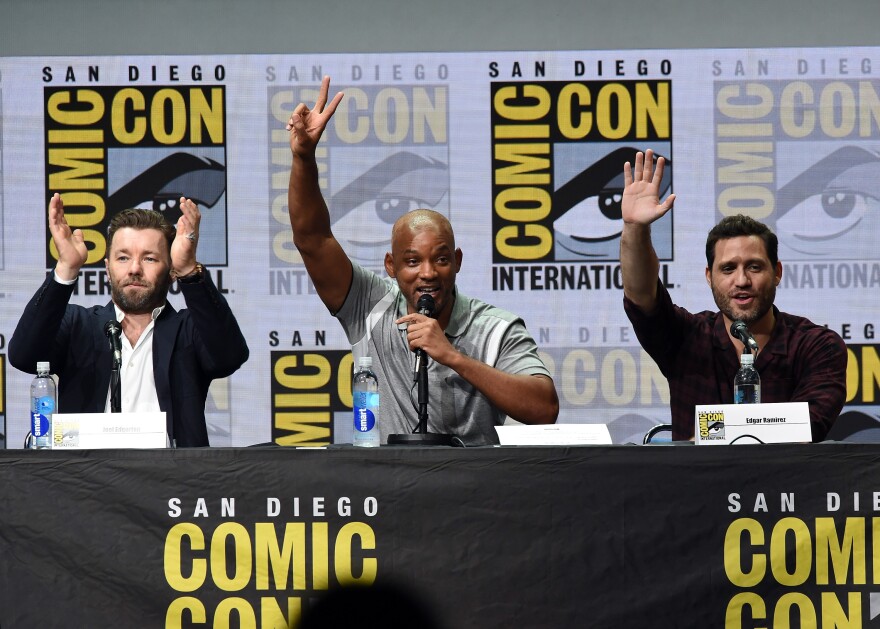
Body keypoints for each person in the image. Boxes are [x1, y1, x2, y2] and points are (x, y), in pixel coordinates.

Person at [286, 76, 558, 446]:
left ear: (457, 262)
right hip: (389, 492)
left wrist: (452, 356)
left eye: (441, 259)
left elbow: (545, 409)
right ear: (391, 267)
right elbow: (312, 239)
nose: (428, 273)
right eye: (412, 262)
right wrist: (303, 158)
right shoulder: (369, 304)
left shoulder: (496, 329)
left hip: (475, 494)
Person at [620, 149, 847, 442]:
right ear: (709, 277)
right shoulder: (685, 336)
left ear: (777, 272)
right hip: (695, 487)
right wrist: (635, 228)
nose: (742, 281)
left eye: (754, 267)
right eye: (728, 269)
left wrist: (710, 435)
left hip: (780, 488)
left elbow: (808, 427)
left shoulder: (818, 346)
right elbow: (640, 294)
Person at [9, 194, 249, 447]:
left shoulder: (188, 329)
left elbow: (229, 357)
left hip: (175, 481)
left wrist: (189, 270)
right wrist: (66, 268)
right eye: (123, 257)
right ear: (107, 269)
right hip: (83, 480)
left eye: (149, 258)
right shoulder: (78, 324)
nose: (134, 268)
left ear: (171, 272)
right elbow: (24, 356)